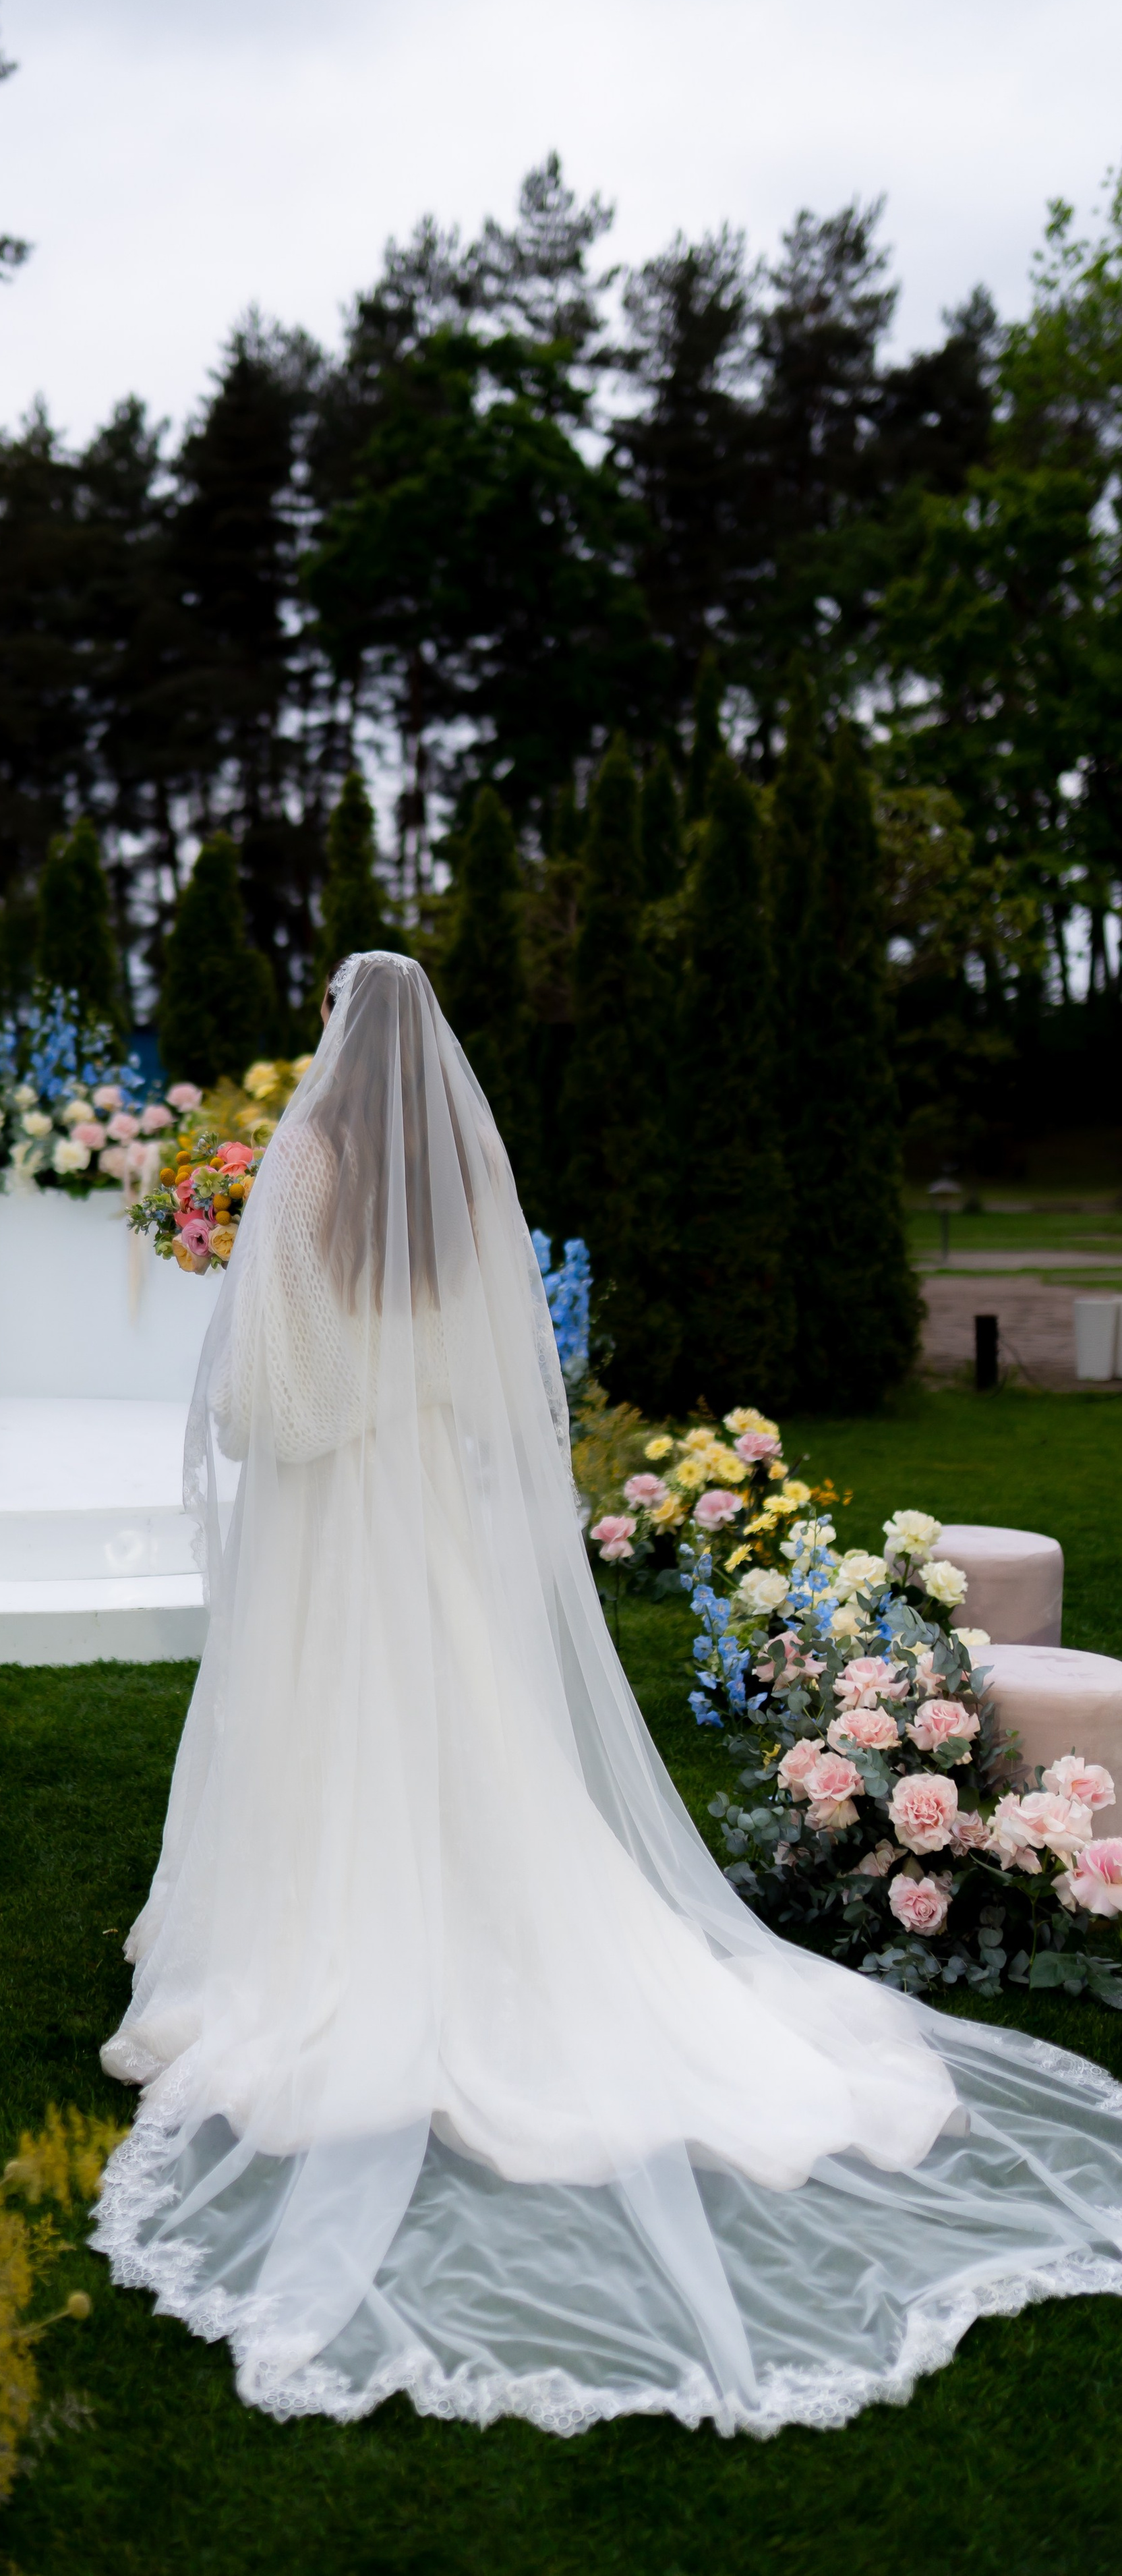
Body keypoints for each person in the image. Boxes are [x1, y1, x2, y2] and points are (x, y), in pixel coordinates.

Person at [94, 950, 1122, 2435]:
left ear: (337, 1037)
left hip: (340, 1510)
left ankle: (330, 1926)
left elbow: (278, 1399)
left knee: (336, 1714)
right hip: (433, 1507)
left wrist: (272, 1396)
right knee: (462, 1722)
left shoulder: (311, 1157)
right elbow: (495, 1371)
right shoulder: (462, 1175)